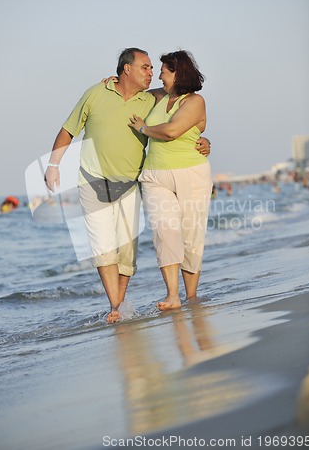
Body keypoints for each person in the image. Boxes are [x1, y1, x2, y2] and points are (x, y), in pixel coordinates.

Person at [45, 48, 210, 323]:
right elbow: (68, 129)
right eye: (145, 67)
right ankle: (116, 306)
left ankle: (128, 303)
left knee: (127, 252)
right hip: (93, 180)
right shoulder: (96, 93)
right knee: (104, 246)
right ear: (127, 69)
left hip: (132, 182)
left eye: (155, 69)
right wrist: (53, 166)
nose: (152, 73)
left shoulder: (151, 99)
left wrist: (204, 141)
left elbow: (183, 116)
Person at [128, 50, 213, 311]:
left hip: (191, 174)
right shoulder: (158, 97)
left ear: (177, 72)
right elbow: (133, 92)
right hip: (155, 175)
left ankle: (191, 296)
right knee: (164, 234)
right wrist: (112, 80)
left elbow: (173, 131)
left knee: (191, 237)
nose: (158, 75)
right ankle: (172, 296)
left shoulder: (195, 101)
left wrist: (143, 128)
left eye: (163, 70)